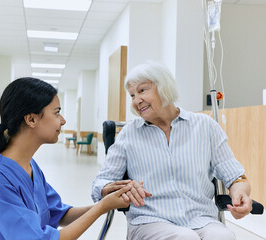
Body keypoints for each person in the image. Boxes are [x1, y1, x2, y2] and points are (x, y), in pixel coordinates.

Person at [91, 60, 252, 240]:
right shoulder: (129, 134)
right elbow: (101, 183)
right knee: (185, 238)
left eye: (142, 90)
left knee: (223, 237)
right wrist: (114, 188)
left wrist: (240, 194)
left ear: (164, 87)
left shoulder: (205, 126)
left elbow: (236, 176)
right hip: (150, 221)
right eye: (132, 95)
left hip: (202, 219)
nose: (136, 100)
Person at [0, 78, 136, 240]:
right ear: (31, 119)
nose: (63, 121)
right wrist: (102, 207)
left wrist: (108, 203)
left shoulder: (30, 167)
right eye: (57, 113)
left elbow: (58, 213)